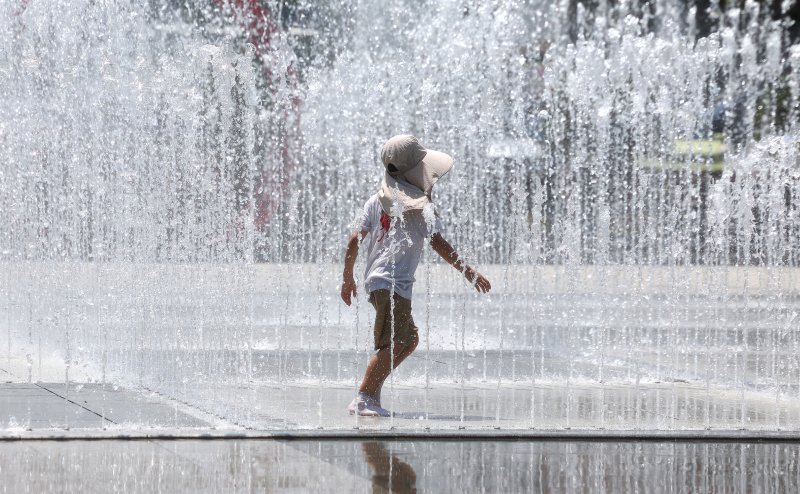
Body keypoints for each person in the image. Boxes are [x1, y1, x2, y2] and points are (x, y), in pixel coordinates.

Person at [340, 134, 491, 417]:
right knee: (401, 341)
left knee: (403, 340)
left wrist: (348, 278)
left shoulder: (375, 201)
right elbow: (438, 243)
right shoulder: (422, 210)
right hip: (392, 282)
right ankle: (363, 398)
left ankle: (371, 396)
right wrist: (468, 271)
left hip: (378, 281)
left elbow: (353, 240)